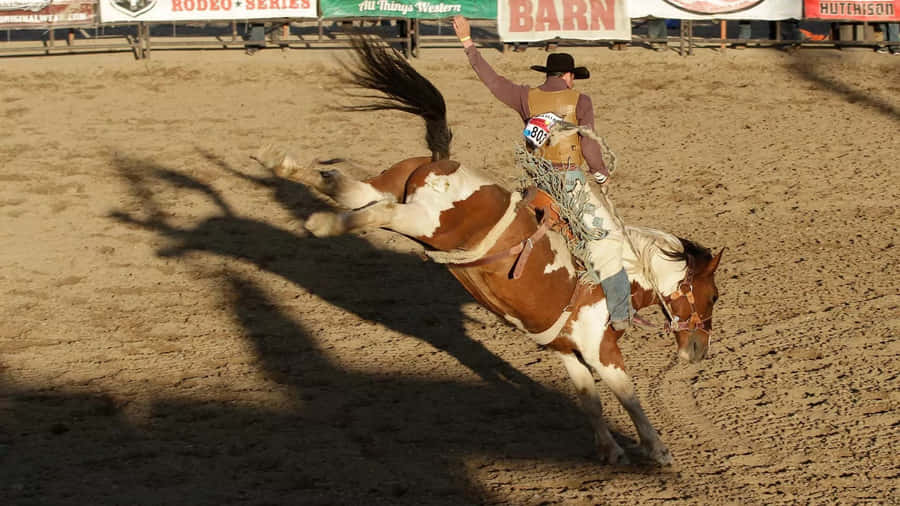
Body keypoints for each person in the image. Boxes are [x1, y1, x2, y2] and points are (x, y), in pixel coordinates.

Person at [451, 15, 632, 330]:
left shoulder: (525, 97)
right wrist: (601, 173)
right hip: (569, 180)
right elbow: (588, 146)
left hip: (538, 181)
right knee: (608, 240)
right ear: (569, 76)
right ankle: (620, 313)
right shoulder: (581, 100)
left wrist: (468, 42)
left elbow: (491, 80)